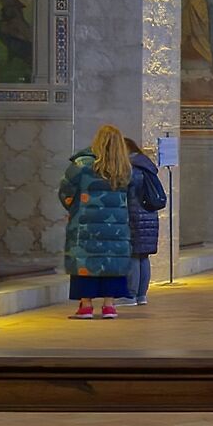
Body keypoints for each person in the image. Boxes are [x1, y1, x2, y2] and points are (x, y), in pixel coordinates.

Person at [59, 124, 136, 319]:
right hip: (116, 226)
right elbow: (131, 196)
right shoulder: (125, 168)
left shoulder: (81, 165)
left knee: (85, 261)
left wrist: (74, 208)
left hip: (86, 225)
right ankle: (109, 306)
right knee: (112, 264)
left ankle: (86, 306)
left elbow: (65, 192)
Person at [126, 138, 169, 306]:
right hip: (149, 215)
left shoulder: (132, 167)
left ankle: (130, 295)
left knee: (133, 255)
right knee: (143, 256)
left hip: (135, 215)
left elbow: (127, 191)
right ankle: (142, 295)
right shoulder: (147, 165)